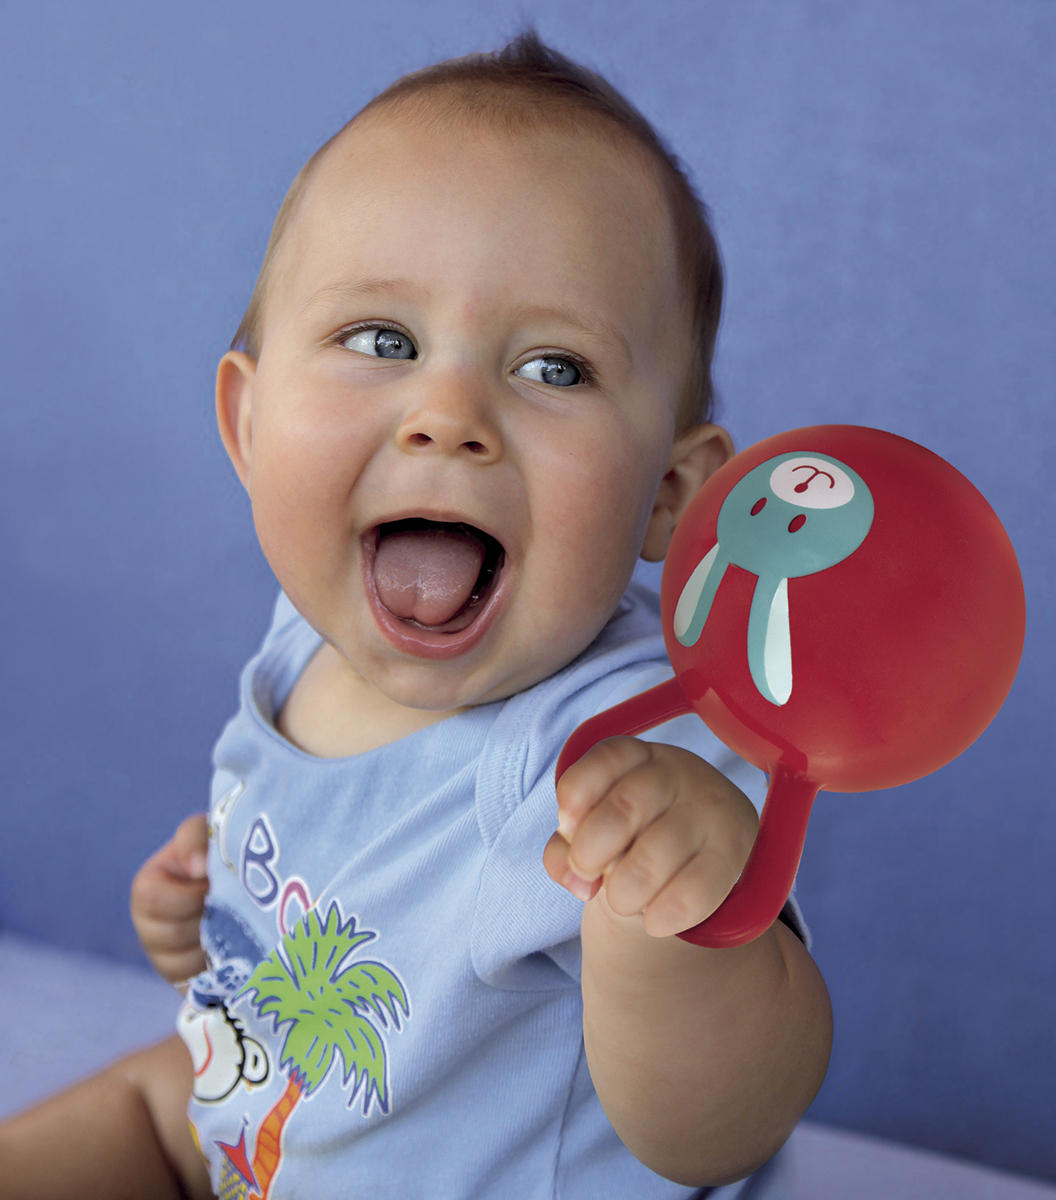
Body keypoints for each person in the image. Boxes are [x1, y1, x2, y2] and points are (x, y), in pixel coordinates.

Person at [0, 32, 831, 1199]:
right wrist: (208, 925)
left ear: (670, 496)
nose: (448, 412)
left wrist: (675, 928)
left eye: (553, 368)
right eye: (381, 341)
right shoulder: (303, 640)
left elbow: (719, 1129)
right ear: (249, 427)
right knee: (152, 1099)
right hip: (286, 1119)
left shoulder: (628, 747)